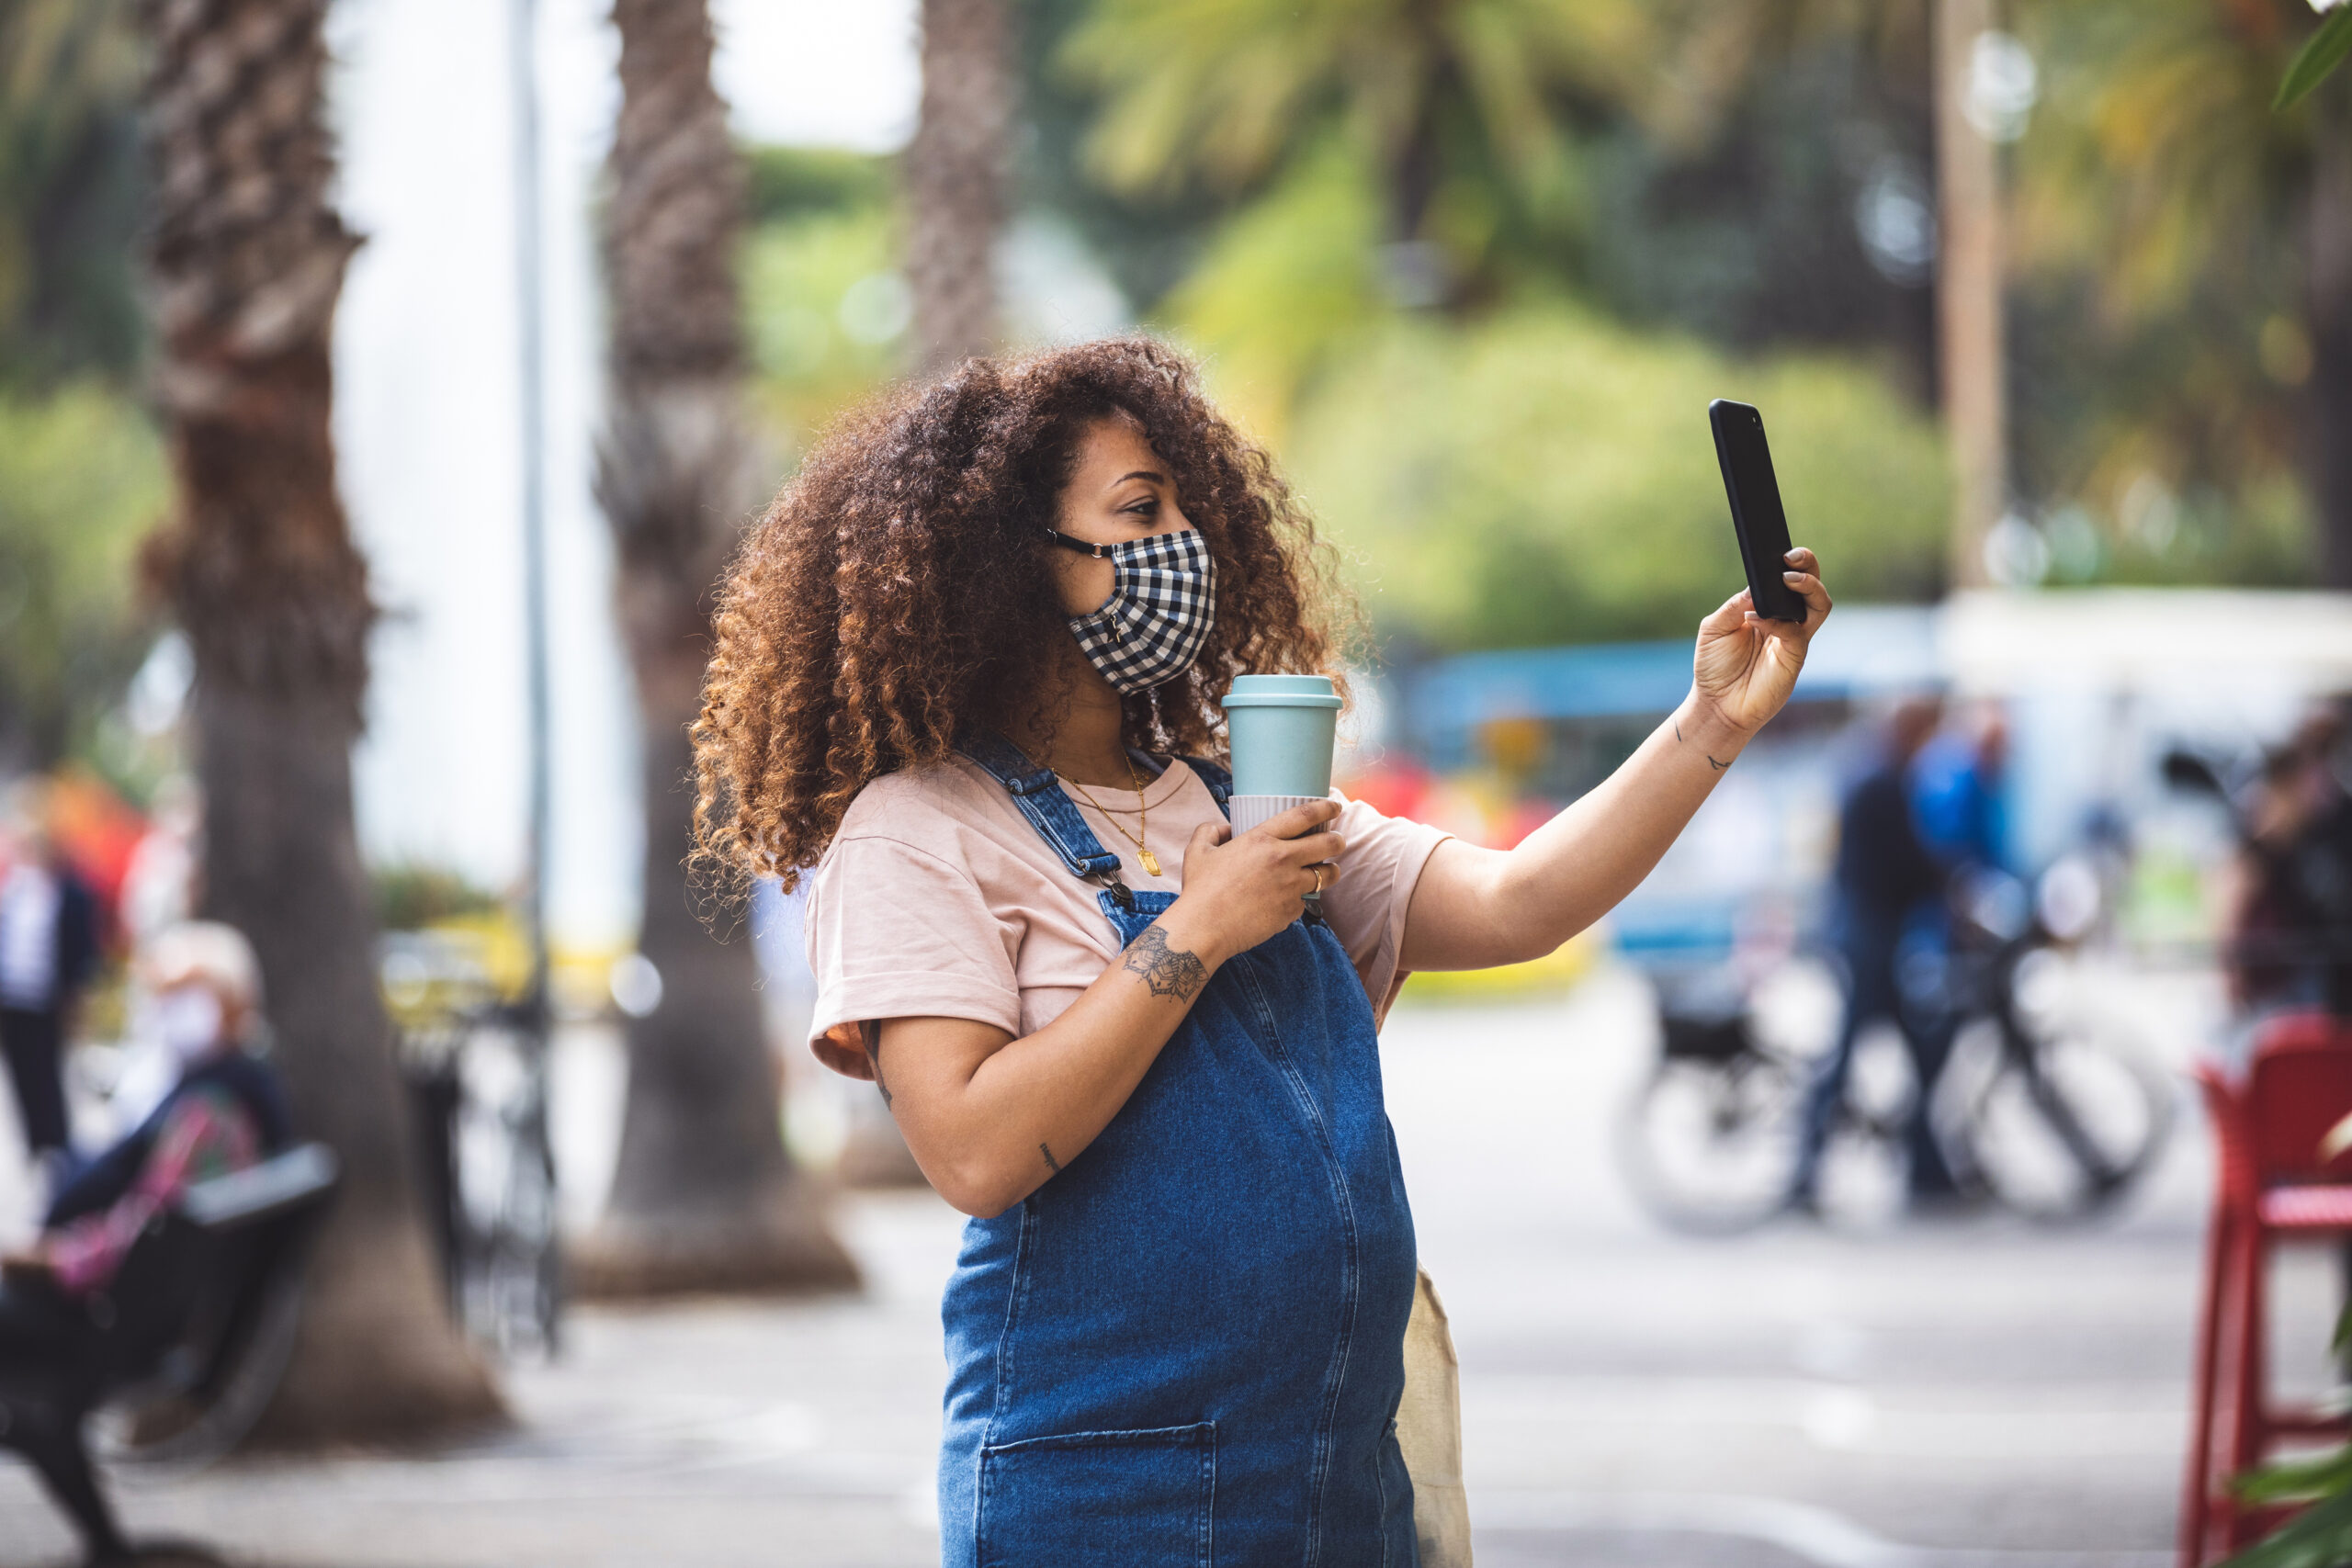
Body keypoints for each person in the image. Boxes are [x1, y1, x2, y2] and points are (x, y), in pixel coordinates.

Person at [690, 338, 1831, 1566]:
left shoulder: (1248, 798)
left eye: (1189, 507)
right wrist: (1200, 926)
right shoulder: (918, 830)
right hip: (1104, 1497)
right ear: (1017, 561)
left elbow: (1520, 901)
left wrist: (1712, 719)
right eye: (1141, 509)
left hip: (1334, 1485)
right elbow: (970, 1149)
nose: (1186, 541)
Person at [0, 921, 287, 1359]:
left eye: (186, 996)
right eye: (164, 997)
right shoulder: (234, 1090)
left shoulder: (208, 1114)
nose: (169, 1011)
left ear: (233, 1002)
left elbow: (143, 1236)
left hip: (120, 1321)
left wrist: (48, 1258)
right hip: (148, 1314)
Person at [1792, 695, 1956, 1211]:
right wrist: (1950, 885)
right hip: (1869, 940)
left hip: (1868, 936)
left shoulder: (1875, 776)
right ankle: (1806, 1171)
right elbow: (1902, 864)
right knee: (1858, 1059)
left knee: (1916, 1052)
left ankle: (1927, 1168)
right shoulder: (1882, 783)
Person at [0, 784, 101, 1168]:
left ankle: (57, 1141)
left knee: (50, 1070)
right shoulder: (12, 890)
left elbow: (81, 942)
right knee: (20, 1068)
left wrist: (79, 990)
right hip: (14, 995)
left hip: (49, 994)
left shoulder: (67, 891)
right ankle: (33, 1139)